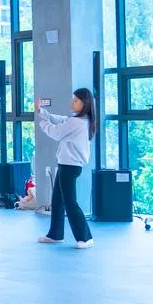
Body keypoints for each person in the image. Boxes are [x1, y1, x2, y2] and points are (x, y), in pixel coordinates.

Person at [35, 88, 97, 249]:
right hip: (67, 165)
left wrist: (42, 122)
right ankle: (55, 234)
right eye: (73, 99)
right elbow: (61, 120)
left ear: (85, 104)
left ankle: (86, 237)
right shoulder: (79, 120)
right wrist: (42, 112)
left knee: (69, 202)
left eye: (76, 100)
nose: (72, 102)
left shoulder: (77, 122)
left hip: (70, 166)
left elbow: (56, 132)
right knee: (57, 201)